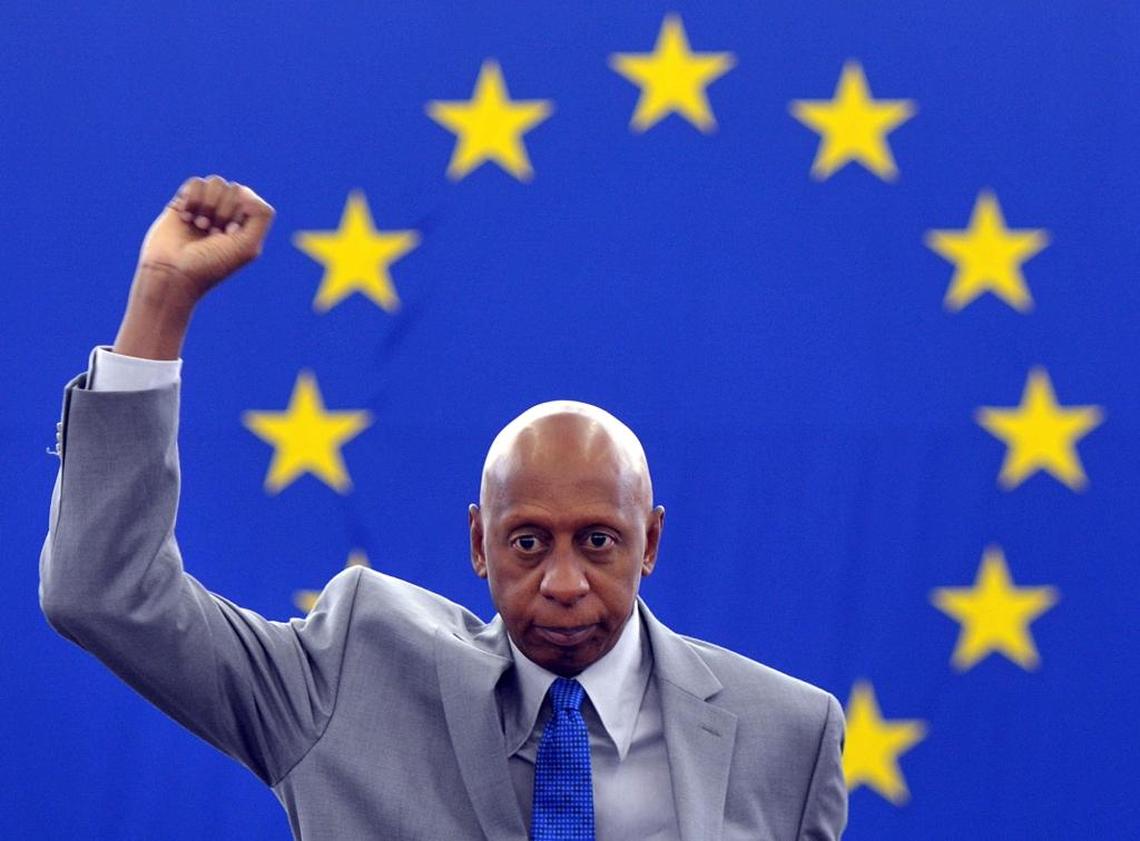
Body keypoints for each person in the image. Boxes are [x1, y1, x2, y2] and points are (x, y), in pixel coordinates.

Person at [40, 175, 847, 840]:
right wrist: (161, 302)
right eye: (528, 542)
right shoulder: (353, 673)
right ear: (478, 543)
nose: (564, 581)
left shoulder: (789, 734)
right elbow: (102, 593)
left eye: (597, 540)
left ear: (651, 543)